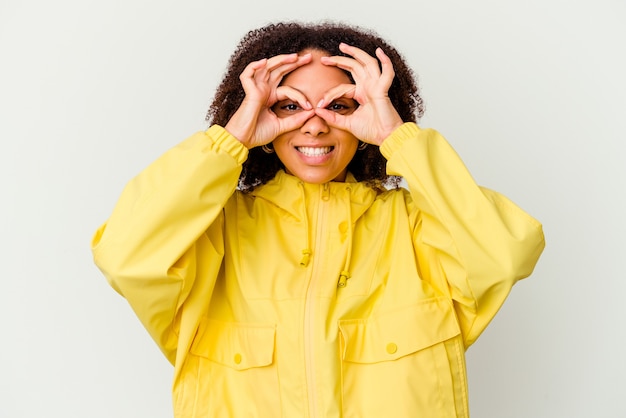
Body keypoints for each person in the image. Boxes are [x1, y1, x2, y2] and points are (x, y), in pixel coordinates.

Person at [91, 21, 545, 418]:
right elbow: (125, 255)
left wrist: (397, 138)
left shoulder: (417, 229)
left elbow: (507, 253)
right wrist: (231, 140)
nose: (314, 124)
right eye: (289, 106)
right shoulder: (213, 233)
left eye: (339, 105)